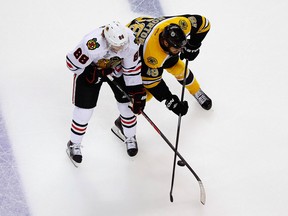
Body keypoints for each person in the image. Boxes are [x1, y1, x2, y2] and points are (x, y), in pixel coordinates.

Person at [66, 21, 146, 163]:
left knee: (127, 107)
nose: (121, 49)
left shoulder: (131, 40)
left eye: (123, 45)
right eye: (117, 46)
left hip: (115, 69)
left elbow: (132, 68)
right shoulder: (92, 45)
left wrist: (137, 92)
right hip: (91, 71)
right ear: (107, 41)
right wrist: (90, 71)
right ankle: (74, 144)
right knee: (84, 112)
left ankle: (129, 135)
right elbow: (71, 64)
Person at [124, 15, 212, 116]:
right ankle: (124, 120)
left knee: (179, 69)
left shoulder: (182, 23)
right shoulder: (151, 55)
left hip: (142, 24)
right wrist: (169, 99)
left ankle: (196, 91)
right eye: (177, 49)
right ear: (165, 43)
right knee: (143, 96)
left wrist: (193, 45)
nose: (180, 51)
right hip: (131, 48)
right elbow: (151, 82)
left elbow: (203, 24)